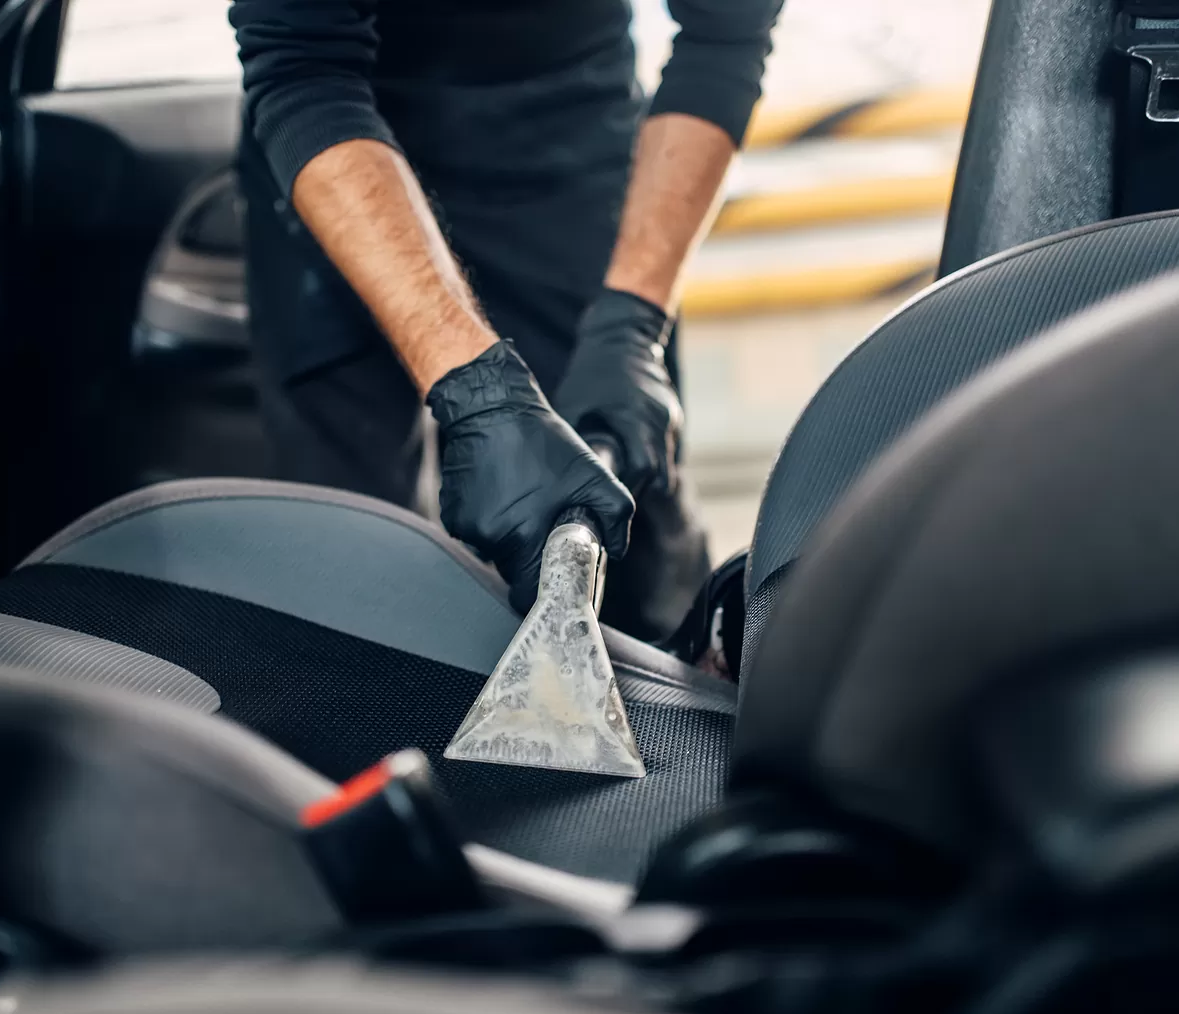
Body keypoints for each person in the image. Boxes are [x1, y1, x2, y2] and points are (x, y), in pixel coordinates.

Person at [230, 0, 784, 641]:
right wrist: (479, 393)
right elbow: (302, 67)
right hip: (332, 137)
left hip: (566, 131)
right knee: (346, 578)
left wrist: (633, 321)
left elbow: (725, 40)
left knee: (626, 526)